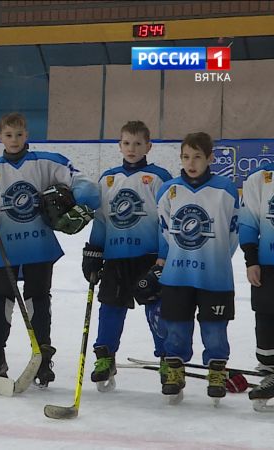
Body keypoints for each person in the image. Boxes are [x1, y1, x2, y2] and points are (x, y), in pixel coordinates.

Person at [0, 112, 99, 387]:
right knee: (0, 299)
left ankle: (42, 358)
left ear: (26, 135)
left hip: (38, 245)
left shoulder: (47, 162)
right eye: (8, 135)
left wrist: (81, 201)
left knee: (38, 299)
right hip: (3, 246)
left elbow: (84, 183)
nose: (14, 140)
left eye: (19, 134)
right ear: (0, 138)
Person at [151, 132, 239, 403]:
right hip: (177, 275)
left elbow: (232, 232)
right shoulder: (169, 190)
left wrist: (216, 258)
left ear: (210, 158)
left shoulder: (225, 189)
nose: (191, 163)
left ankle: (216, 371)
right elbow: (165, 230)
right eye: (186, 157)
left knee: (215, 328)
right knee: (176, 326)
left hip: (215, 275)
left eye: (198, 157)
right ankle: (175, 370)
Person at [83, 121, 172, 390]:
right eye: (126, 143)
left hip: (149, 258)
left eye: (137, 143)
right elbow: (101, 220)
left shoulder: (159, 177)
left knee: (157, 309)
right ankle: (105, 357)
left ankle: (168, 359)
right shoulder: (108, 179)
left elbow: (166, 222)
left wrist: (163, 257)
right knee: (110, 307)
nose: (132, 148)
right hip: (115, 258)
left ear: (148, 146)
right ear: (119, 145)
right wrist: (94, 252)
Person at [238, 161, 274, 409]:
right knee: (266, 318)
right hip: (267, 264)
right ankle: (269, 371)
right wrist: (251, 260)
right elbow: (248, 222)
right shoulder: (260, 178)